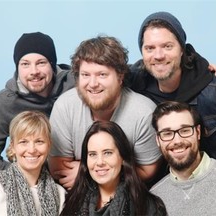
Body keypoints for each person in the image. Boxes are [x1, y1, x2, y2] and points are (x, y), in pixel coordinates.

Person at [129, 11, 216, 171]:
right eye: (150, 48)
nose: (158, 55)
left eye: (167, 46)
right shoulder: (136, 83)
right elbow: (103, 72)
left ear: (181, 49)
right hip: (165, 189)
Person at [48, 36, 162, 190]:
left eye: (102, 75)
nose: (93, 84)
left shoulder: (144, 113)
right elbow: (59, 170)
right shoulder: (65, 107)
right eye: (85, 75)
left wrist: (87, 174)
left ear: (120, 77)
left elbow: (147, 171)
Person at [0, 32, 75, 177]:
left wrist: (84, 171)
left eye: (41, 63)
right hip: (32, 183)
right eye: (25, 64)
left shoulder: (77, 86)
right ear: (17, 67)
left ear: (52, 65)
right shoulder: (6, 103)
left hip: (79, 180)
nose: (34, 71)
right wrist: (33, 175)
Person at [150, 101, 216, 215]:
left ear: (198, 132)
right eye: (167, 133)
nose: (177, 141)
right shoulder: (154, 197)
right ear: (158, 140)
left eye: (185, 130)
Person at [0, 111, 66, 215]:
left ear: (49, 145)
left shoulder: (60, 195)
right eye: (24, 142)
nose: (31, 150)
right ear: (13, 147)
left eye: (39, 141)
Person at [60, 121, 167, 216]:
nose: (100, 162)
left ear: (123, 158)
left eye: (107, 153)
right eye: (92, 154)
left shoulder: (147, 206)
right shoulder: (73, 202)